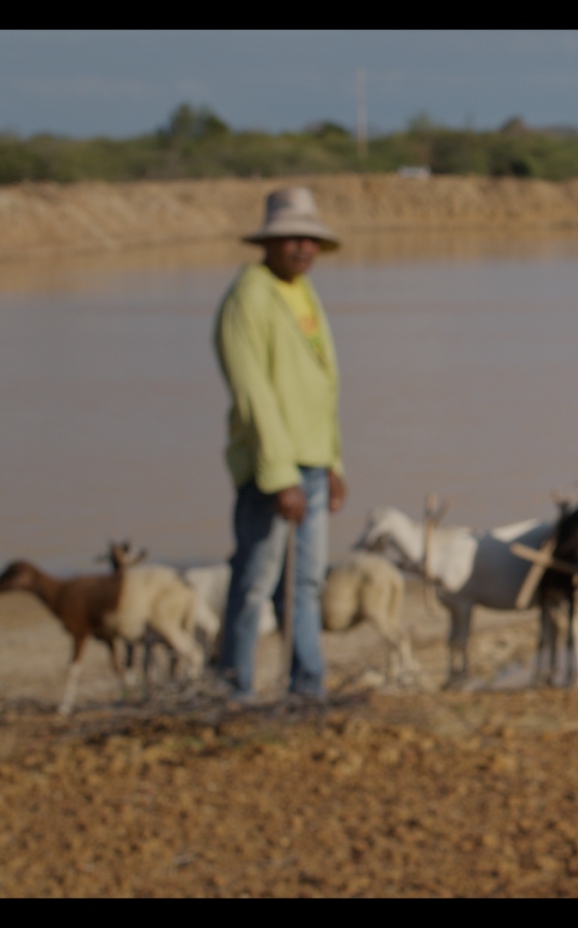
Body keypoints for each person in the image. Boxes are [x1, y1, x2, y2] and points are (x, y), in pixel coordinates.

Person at [212, 187, 347, 702]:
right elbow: (253, 395)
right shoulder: (249, 298)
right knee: (253, 585)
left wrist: (333, 461)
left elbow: (324, 386)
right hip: (274, 473)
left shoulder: (303, 294)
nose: (303, 248)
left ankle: (308, 687)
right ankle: (233, 692)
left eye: (310, 239)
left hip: (312, 465)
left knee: (306, 585)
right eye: (292, 238)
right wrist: (278, 475)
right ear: (268, 242)